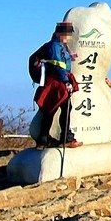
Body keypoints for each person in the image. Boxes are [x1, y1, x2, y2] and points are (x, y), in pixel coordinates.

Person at [30, 21, 81, 150]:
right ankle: (61, 138)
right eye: (67, 34)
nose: (69, 37)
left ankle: (46, 139)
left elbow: (61, 60)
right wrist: (66, 82)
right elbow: (57, 65)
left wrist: (71, 57)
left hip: (57, 81)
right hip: (56, 83)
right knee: (54, 109)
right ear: (60, 33)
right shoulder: (54, 46)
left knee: (56, 109)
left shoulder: (59, 45)